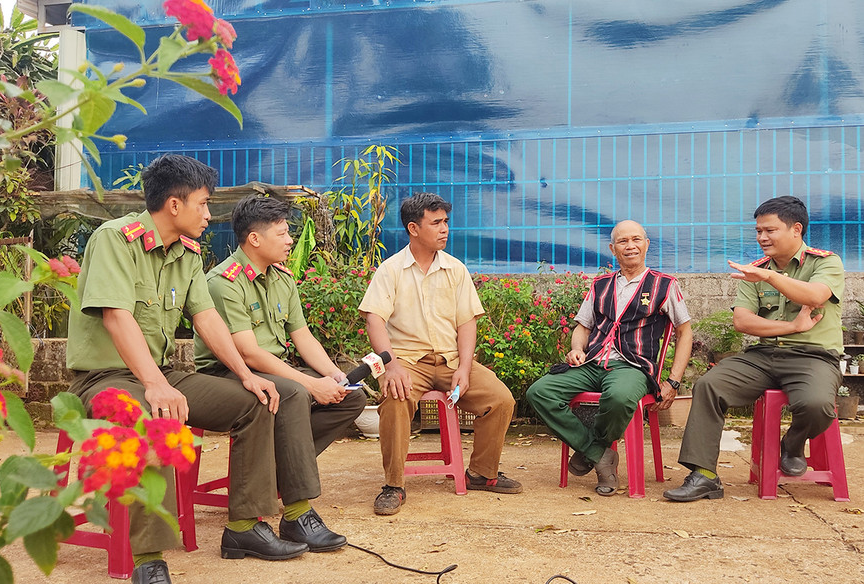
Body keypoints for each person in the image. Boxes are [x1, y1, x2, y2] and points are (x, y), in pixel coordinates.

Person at [66, 155, 325, 584]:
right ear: (173, 205)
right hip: (105, 378)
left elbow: (206, 318)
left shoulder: (186, 252)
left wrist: (246, 374)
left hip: (161, 373)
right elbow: (116, 316)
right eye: (203, 204)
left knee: (258, 401)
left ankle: (244, 528)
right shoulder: (115, 239)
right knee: (156, 413)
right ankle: (148, 557)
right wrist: (153, 384)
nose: (208, 214)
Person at [194, 194, 364, 530]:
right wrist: (312, 384)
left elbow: (302, 337)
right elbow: (248, 352)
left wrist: (334, 376)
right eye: (283, 233)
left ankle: (277, 467)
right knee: (295, 393)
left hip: (274, 369)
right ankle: (297, 513)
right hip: (228, 373)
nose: (290, 241)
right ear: (255, 239)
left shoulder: (282, 278)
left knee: (352, 397)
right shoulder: (224, 282)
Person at [665, 196, 844, 502]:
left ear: (796, 229)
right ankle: (704, 475)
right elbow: (743, 322)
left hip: (813, 357)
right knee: (710, 385)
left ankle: (792, 443)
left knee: (816, 404)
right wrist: (791, 327)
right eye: (759, 231)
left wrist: (770, 276)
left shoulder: (825, 262)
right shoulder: (755, 270)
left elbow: (815, 296)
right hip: (764, 358)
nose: (762, 237)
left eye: (770, 230)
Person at [358, 192, 522, 516]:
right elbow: (373, 319)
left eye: (446, 221)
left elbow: (466, 323)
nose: (445, 228)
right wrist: (390, 366)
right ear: (413, 228)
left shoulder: (456, 269)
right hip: (406, 361)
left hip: (450, 360)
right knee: (394, 399)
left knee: (501, 400)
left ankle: (481, 473)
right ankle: (393, 485)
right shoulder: (390, 270)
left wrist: (464, 366)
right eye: (436, 222)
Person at [526, 220, 693, 496]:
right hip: (593, 363)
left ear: (646, 245)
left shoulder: (664, 285)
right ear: (612, 249)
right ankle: (600, 453)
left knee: (618, 397)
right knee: (539, 392)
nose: (631, 246)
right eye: (623, 241)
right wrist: (577, 348)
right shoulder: (601, 284)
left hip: (632, 367)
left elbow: (684, 332)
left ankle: (593, 451)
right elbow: (583, 326)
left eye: (637, 240)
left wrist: (673, 382)